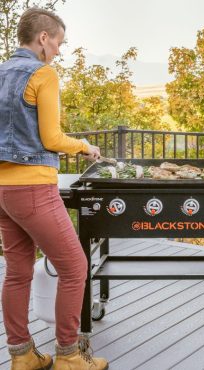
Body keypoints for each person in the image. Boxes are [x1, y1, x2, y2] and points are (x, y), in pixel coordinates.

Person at [0, 8, 108, 370]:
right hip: (32, 188)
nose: (58, 51)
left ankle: (23, 355)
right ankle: (69, 355)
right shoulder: (43, 73)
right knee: (75, 266)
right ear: (43, 38)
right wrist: (84, 147)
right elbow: (51, 137)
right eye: (58, 42)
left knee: (18, 271)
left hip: (2, 192)